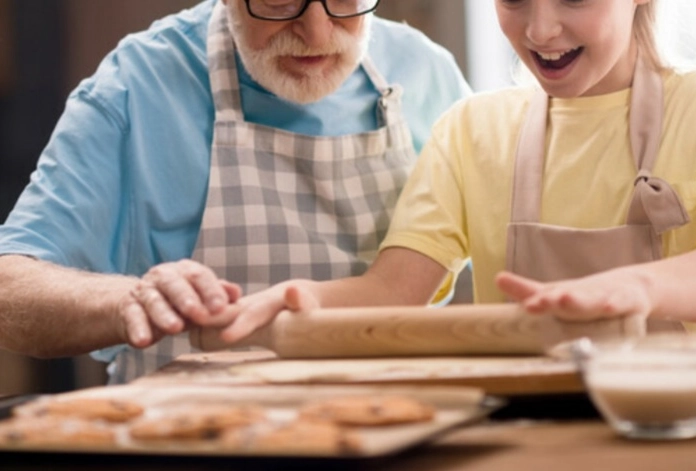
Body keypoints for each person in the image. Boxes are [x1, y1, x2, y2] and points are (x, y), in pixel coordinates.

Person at [215, 0, 696, 344]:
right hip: (522, 433)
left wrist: (636, 288)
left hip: (688, 429)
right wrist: (301, 299)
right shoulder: (470, 129)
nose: (540, 30)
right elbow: (392, 292)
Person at [0, 0, 471, 383]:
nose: (318, 33)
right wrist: (125, 302)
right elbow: (9, 289)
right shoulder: (140, 83)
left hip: (392, 430)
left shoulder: (427, 71)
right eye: (279, 2)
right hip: (184, 444)